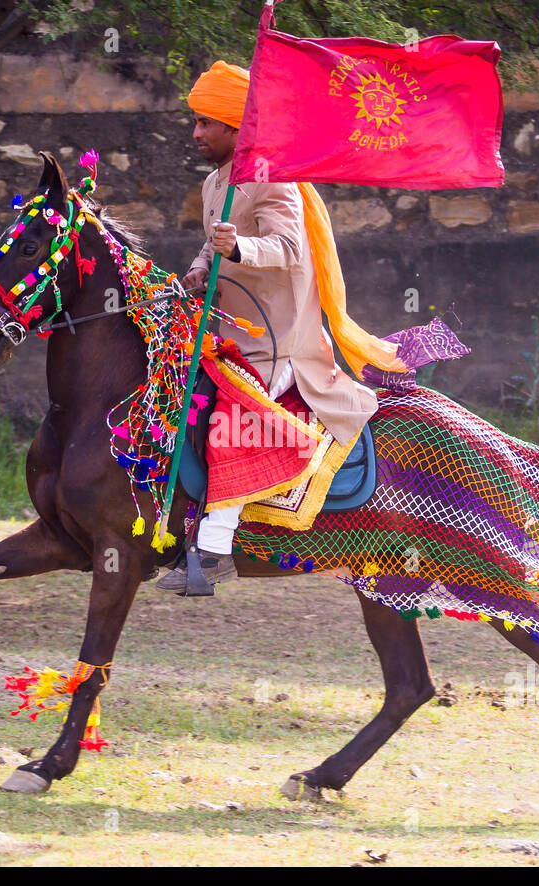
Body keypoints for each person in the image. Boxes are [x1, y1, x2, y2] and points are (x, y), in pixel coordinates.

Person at [157, 61, 406, 594]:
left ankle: (217, 551)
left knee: (233, 415)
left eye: (206, 123)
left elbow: (290, 248)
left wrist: (239, 249)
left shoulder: (276, 177)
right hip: (230, 331)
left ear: (235, 127)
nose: (196, 133)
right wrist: (202, 267)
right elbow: (218, 234)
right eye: (196, 122)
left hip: (278, 342)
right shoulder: (215, 181)